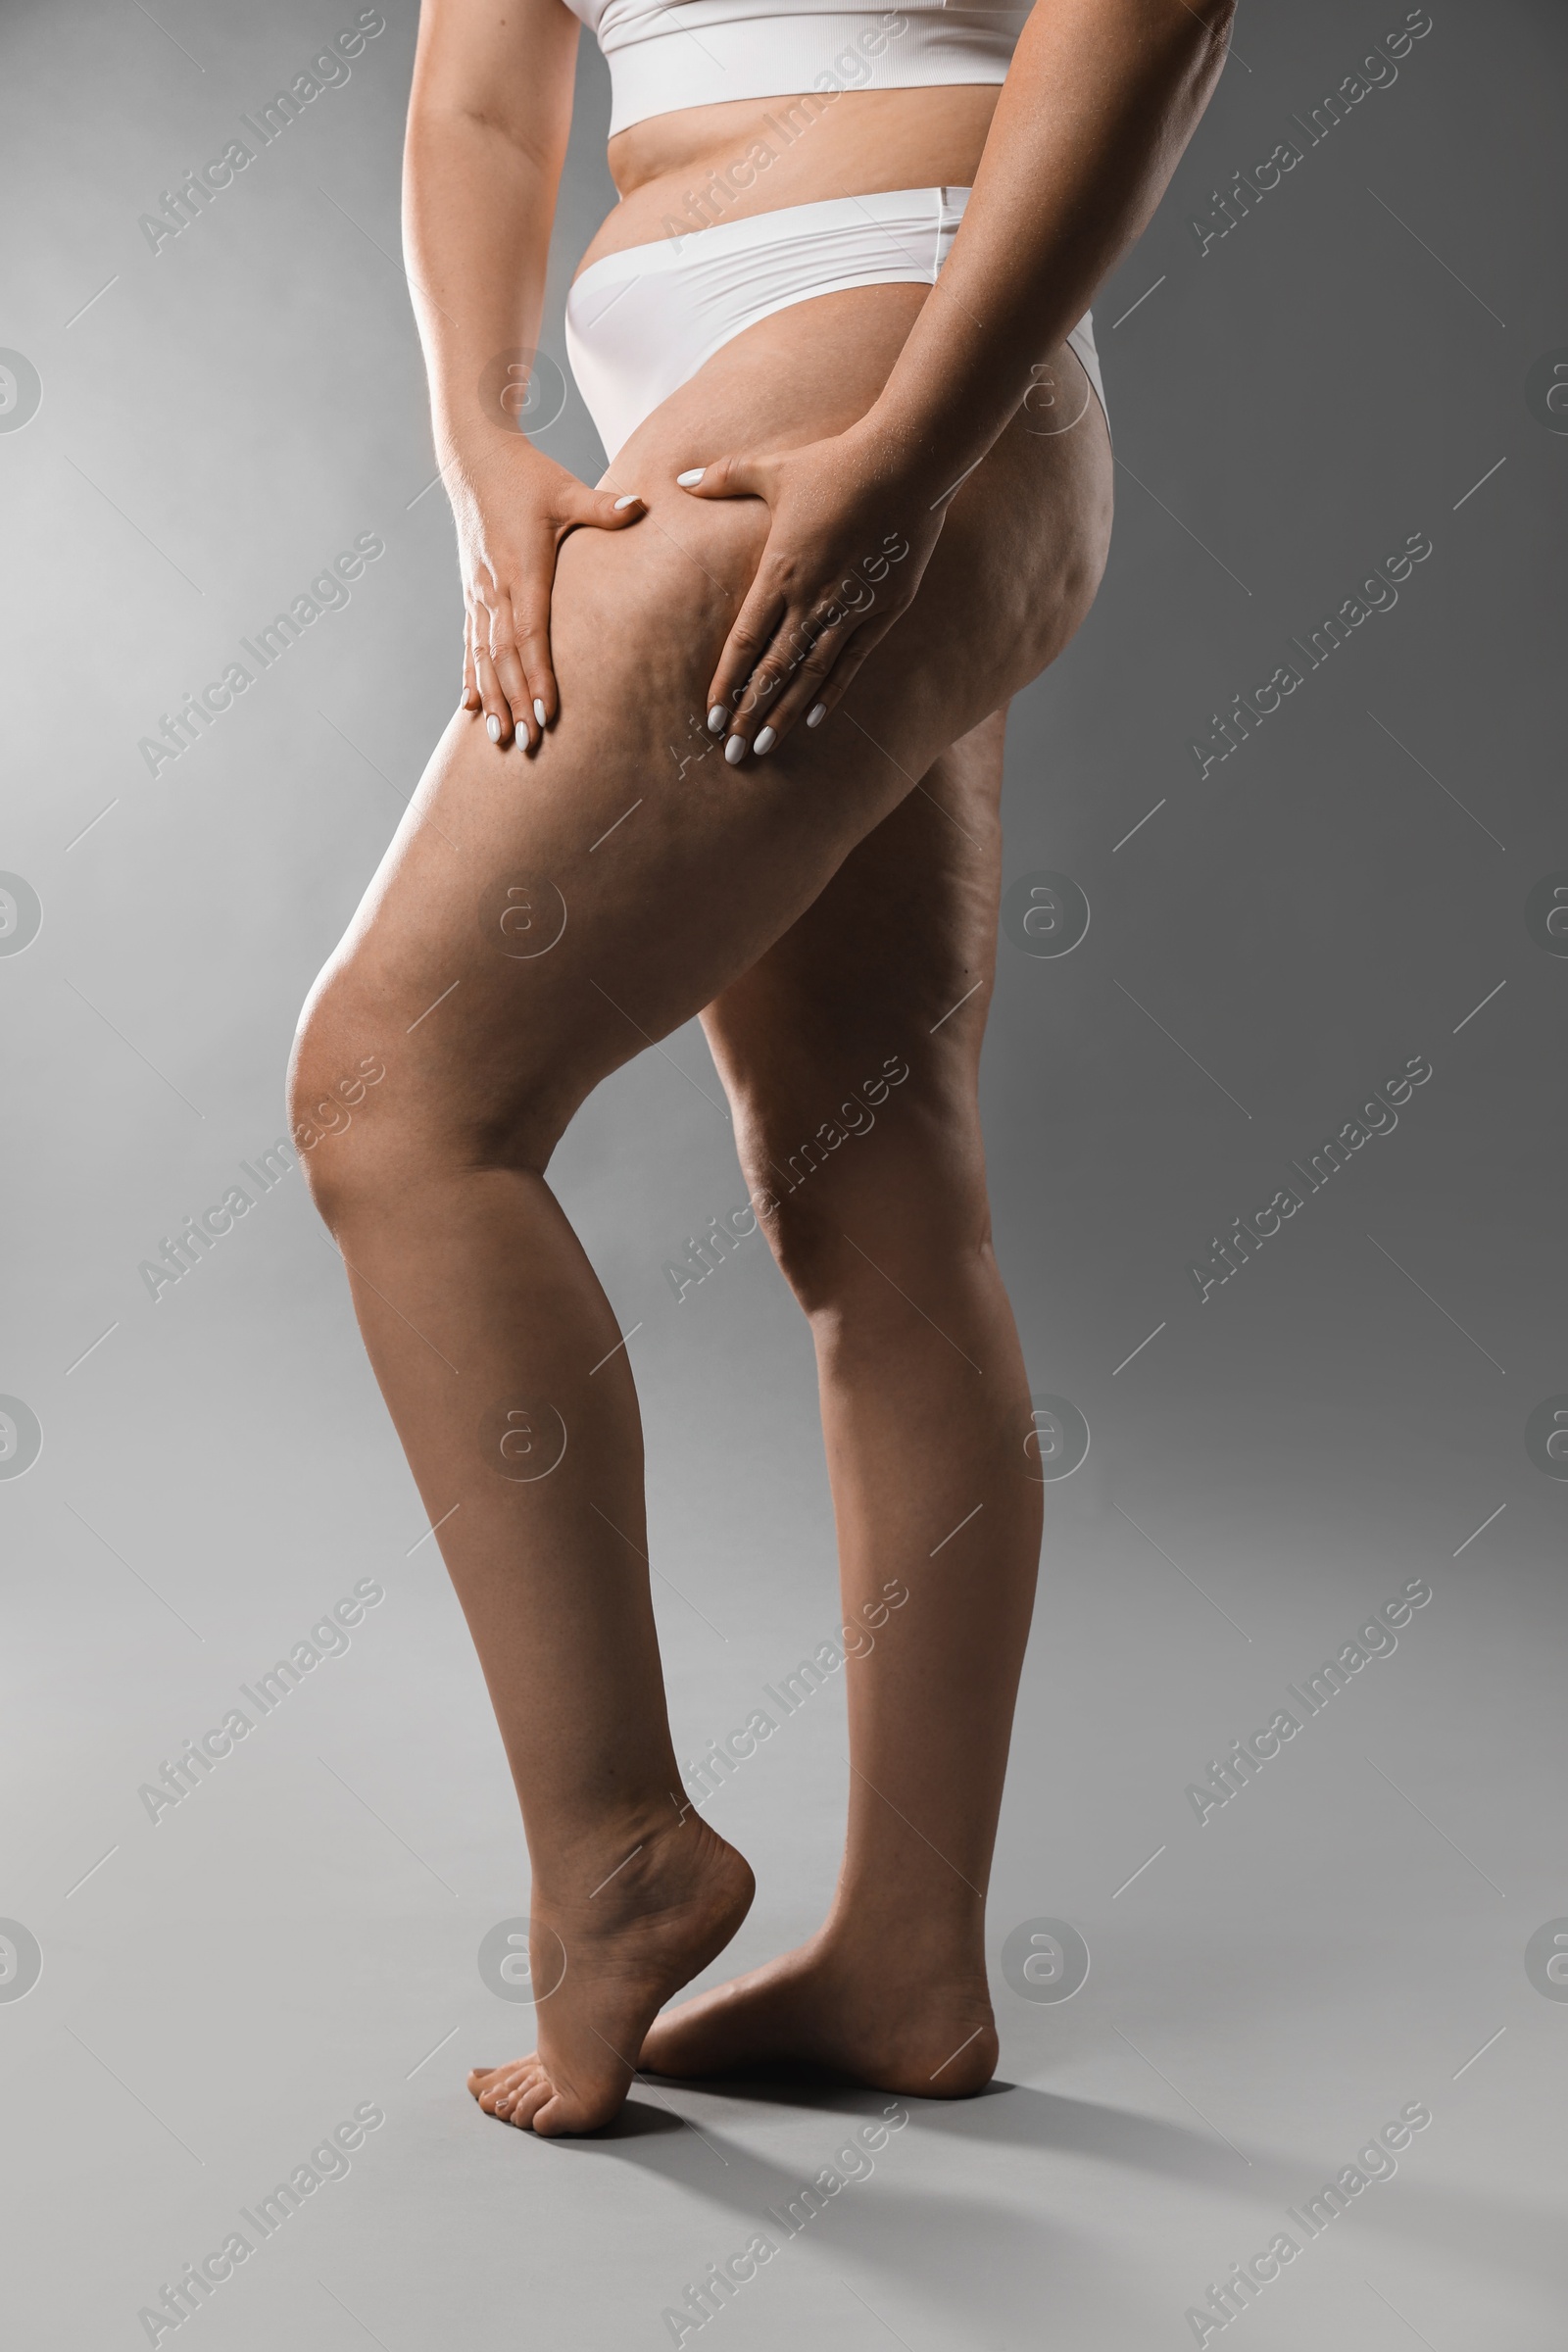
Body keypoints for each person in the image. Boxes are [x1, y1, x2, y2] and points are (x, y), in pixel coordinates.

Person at [289, 0, 1234, 2135]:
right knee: (876, 1180)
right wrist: (477, 436)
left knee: (394, 1100)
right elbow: (480, 71)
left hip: (885, 318)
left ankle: (618, 1852)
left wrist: (909, 444)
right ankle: (905, 1964)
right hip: (748, 369)